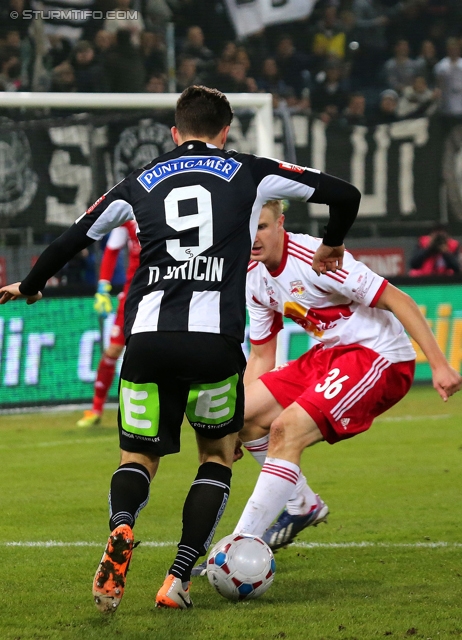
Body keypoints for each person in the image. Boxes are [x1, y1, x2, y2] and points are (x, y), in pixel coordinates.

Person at [0, 86, 361, 612]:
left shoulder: (137, 182)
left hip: (146, 342)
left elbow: (71, 240)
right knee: (216, 457)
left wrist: (32, 284)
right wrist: (333, 241)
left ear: (175, 132)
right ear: (226, 130)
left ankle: (122, 527)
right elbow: (345, 193)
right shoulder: (249, 170)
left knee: (137, 457)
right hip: (214, 347)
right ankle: (177, 578)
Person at [228, 200, 462, 545]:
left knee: (285, 429)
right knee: (240, 416)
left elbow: (399, 300)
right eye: (248, 230)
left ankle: (240, 544)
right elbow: (262, 354)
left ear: (281, 222)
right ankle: (300, 503)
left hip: (379, 356)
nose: (254, 238)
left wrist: (440, 365)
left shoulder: (315, 259)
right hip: (329, 355)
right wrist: (236, 426)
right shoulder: (252, 277)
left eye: (262, 226)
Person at [77, 221, 141, 428]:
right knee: (113, 349)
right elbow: (112, 250)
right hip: (132, 295)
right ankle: (96, 409)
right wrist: (103, 287)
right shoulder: (129, 215)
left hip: (165, 292)